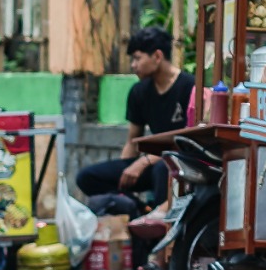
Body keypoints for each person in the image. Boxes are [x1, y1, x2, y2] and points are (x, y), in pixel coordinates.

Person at [76, 26, 194, 220]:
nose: (133, 65)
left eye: (137, 58)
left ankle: (160, 224)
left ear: (157, 56)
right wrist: (126, 174)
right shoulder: (139, 92)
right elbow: (133, 140)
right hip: (150, 163)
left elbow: (188, 140)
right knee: (87, 178)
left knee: (162, 168)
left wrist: (144, 161)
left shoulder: (189, 86)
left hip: (179, 164)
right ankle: (141, 211)